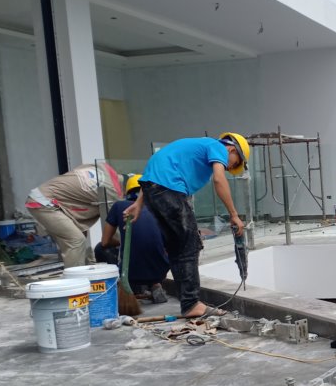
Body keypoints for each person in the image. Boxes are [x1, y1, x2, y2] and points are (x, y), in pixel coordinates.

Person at [125, 133, 249, 319]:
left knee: (177, 247)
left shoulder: (197, 146)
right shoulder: (217, 147)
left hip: (154, 189)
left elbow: (153, 176)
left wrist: (139, 203)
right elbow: (218, 179)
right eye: (234, 163)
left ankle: (188, 302)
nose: (230, 167)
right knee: (190, 244)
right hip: (170, 189)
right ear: (232, 149)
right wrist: (234, 214)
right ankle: (191, 303)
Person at [26, 162, 122, 268]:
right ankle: (77, 277)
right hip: (45, 202)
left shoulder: (102, 167)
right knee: (76, 240)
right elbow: (110, 236)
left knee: (79, 237)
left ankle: (84, 270)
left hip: (47, 196)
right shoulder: (111, 193)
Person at [97, 173, 170, 304]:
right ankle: (155, 284)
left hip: (130, 272)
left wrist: (123, 243)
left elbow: (105, 241)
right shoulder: (160, 209)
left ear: (128, 192)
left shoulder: (119, 206)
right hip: (160, 271)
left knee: (100, 249)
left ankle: (119, 285)